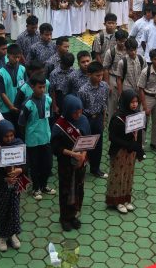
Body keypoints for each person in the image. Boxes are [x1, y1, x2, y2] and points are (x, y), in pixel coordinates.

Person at [0, 120, 25, 252]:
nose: (9, 139)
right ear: (0, 135)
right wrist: (4, 179)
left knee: (14, 208)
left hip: (15, 183)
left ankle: (13, 235)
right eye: (6, 136)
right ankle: (2, 236)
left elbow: (26, 162)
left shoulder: (19, 143)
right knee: (3, 210)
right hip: (0, 185)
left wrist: (20, 170)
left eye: (11, 135)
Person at [52, 95, 90, 231]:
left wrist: (83, 156)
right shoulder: (59, 125)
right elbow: (56, 148)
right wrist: (73, 154)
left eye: (80, 111)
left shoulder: (83, 120)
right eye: (75, 112)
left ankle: (74, 215)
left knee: (79, 189)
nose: (78, 115)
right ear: (68, 110)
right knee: (66, 190)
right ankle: (64, 218)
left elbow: (87, 140)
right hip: (66, 164)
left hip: (80, 163)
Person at [106, 89, 145, 214]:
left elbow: (139, 133)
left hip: (131, 152)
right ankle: (116, 201)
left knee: (128, 175)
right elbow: (112, 137)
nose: (135, 104)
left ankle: (126, 199)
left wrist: (139, 150)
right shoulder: (118, 117)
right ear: (125, 101)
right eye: (132, 102)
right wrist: (128, 144)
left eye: (136, 102)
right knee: (118, 176)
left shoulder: (137, 115)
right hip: (119, 151)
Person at [18, 75, 55, 200]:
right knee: (35, 166)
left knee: (48, 165)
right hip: (32, 140)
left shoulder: (48, 100)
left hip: (46, 138)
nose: (42, 90)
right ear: (32, 87)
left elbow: (50, 118)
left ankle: (44, 185)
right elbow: (21, 124)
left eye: (44, 87)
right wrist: (25, 139)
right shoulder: (27, 104)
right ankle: (36, 188)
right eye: (40, 87)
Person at [78, 61, 109, 179]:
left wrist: (104, 119)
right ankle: (81, 167)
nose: (100, 78)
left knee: (98, 144)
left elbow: (104, 104)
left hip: (99, 118)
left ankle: (95, 169)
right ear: (89, 75)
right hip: (87, 119)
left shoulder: (104, 86)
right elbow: (80, 110)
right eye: (97, 75)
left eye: (101, 75)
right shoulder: (83, 91)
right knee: (85, 144)